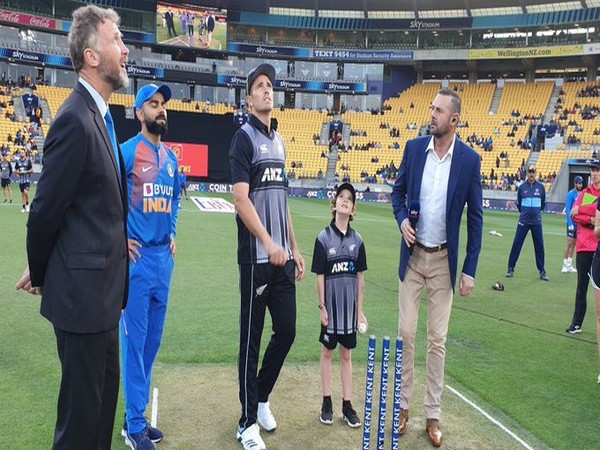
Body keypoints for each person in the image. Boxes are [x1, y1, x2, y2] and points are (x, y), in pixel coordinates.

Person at [14, 5, 129, 449]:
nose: (125, 47)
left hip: (103, 299)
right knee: (80, 427)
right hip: (83, 304)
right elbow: (45, 213)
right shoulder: (73, 119)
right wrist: (43, 274)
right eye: (117, 39)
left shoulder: (99, 115)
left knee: (99, 419)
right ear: (92, 56)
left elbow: (92, 211)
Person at [391, 88, 483, 448]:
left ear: (454, 120)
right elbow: (397, 195)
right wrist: (402, 221)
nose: (432, 114)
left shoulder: (469, 160)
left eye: (439, 110)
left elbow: (475, 219)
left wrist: (469, 269)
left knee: (437, 341)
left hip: (445, 262)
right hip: (413, 259)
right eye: (431, 108)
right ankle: (402, 407)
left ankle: (433, 415)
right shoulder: (414, 149)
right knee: (406, 334)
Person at [229, 63, 305, 450]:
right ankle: (245, 424)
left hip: (281, 258)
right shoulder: (243, 139)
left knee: (288, 331)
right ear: (249, 98)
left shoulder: (280, 142)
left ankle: (259, 399)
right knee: (251, 340)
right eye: (259, 86)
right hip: (257, 258)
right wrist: (269, 243)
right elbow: (241, 200)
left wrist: (291, 245)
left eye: (270, 86)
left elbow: (283, 200)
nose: (266, 91)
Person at [119, 83, 180, 450]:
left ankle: (134, 416)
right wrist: (118, 238)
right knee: (135, 344)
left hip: (163, 262)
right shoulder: (126, 152)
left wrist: (172, 232)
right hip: (137, 263)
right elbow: (106, 198)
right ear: (139, 112)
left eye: (163, 105)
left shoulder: (171, 160)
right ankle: (135, 425)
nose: (161, 110)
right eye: (153, 105)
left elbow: (174, 203)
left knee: (152, 343)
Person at [311, 182, 367, 428]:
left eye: (349, 199)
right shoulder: (323, 238)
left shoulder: (358, 241)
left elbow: (360, 279)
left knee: (347, 355)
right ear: (334, 205)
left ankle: (347, 405)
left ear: (353, 210)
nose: (345, 200)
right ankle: (326, 402)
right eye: (341, 197)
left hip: (349, 313)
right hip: (331, 312)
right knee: (327, 353)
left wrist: (360, 311)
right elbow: (320, 276)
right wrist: (322, 307)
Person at [566, 164, 600, 334]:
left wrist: (583, 209)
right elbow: (574, 214)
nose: (594, 174)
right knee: (582, 288)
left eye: (597, 171)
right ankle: (577, 323)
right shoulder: (585, 193)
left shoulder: (588, 197)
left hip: (598, 246)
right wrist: (592, 219)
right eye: (592, 171)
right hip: (585, 246)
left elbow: (584, 210)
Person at [506, 165, 548, 281]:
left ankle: (542, 271)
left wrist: (534, 212)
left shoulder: (541, 188)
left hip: (536, 221)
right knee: (517, 244)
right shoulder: (521, 188)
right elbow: (519, 204)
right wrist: (526, 213)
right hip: (524, 221)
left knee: (539, 246)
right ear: (527, 173)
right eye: (529, 172)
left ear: (536, 173)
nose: (531, 174)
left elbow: (543, 204)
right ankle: (510, 268)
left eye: (533, 172)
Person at [563, 176, 583, 273]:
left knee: (574, 244)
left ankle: (569, 264)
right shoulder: (570, 194)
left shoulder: (582, 194)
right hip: (571, 223)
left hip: (578, 223)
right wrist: (570, 223)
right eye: (578, 183)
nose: (580, 185)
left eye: (581, 183)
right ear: (575, 184)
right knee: (569, 243)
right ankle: (564, 264)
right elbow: (568, 210)